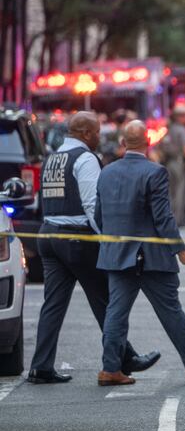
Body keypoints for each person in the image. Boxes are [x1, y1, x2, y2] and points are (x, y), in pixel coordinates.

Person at [27, 112, 159, 384]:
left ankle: (40, 366)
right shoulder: (85, 159)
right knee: (107, 302)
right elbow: (92, 206)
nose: (99, 137)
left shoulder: (53, 157)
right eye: (97, 132)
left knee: (53, 304)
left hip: (49, 234)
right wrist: (107, 240)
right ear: (85, 133)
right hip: (77, 239)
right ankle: (124, 359)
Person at [95, 120, 185, 386]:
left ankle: (110, 368)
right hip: (151, 257)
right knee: (171, 311)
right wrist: (181, 251)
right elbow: (163, 218)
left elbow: (99, 216)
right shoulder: (154, 172)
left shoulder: (105, 172)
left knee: (115, 313)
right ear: (149, 141)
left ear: (122, 143)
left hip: (117, 255)